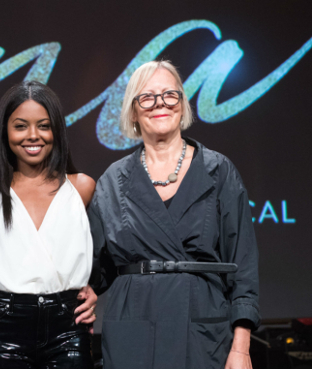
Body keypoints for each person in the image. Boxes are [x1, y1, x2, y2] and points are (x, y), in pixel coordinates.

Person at [88, 60, 259, 369]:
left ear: (182, 105)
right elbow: (94, 270)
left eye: (170, 94)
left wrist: (241, 348)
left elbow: (243, 268)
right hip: (133, 332)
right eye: (147, 97)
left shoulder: (219, 171)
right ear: (132, 112)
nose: (160, 104)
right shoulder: (112, 181)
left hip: (203, 333)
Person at [0, 81, 98, 369]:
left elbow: (103, 249)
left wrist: (94, 287)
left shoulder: (81, 187)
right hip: (3, 326)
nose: (33, 135)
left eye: (43, 125)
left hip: (69, 324)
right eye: (20, 126)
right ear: (5, 132)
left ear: (56, 130)